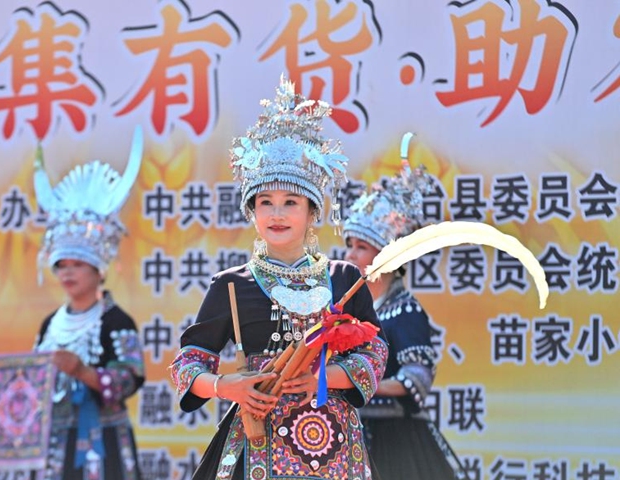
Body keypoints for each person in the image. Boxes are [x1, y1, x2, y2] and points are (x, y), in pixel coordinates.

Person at [169, 77, 388, 480]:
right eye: (265, 203)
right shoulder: (231, 285)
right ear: (252, 212)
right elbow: (188, 364)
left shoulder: (344, 278)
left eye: (290, 202)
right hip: (258, 440)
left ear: (311, 211)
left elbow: (375, 355)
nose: (277, 214)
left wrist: (321, 378)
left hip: (335, 445)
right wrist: (226, 387)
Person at [342, 156, 469, 480]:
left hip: (394, 438)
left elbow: (418, 377)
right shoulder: (344, 312)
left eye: (361, 247)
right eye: (350, 246)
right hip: (347, 433)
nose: (350, 255)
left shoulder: (405, 310)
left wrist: (363, 382)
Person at [33, 128, 146, 480]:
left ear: (99, 270)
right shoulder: (50, 323)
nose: (68, 273)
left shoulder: (117, 321)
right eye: (62, 266)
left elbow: (131, 377)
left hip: (103, 441)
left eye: (77, 264)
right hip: (53, 443)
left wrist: (83, 372)